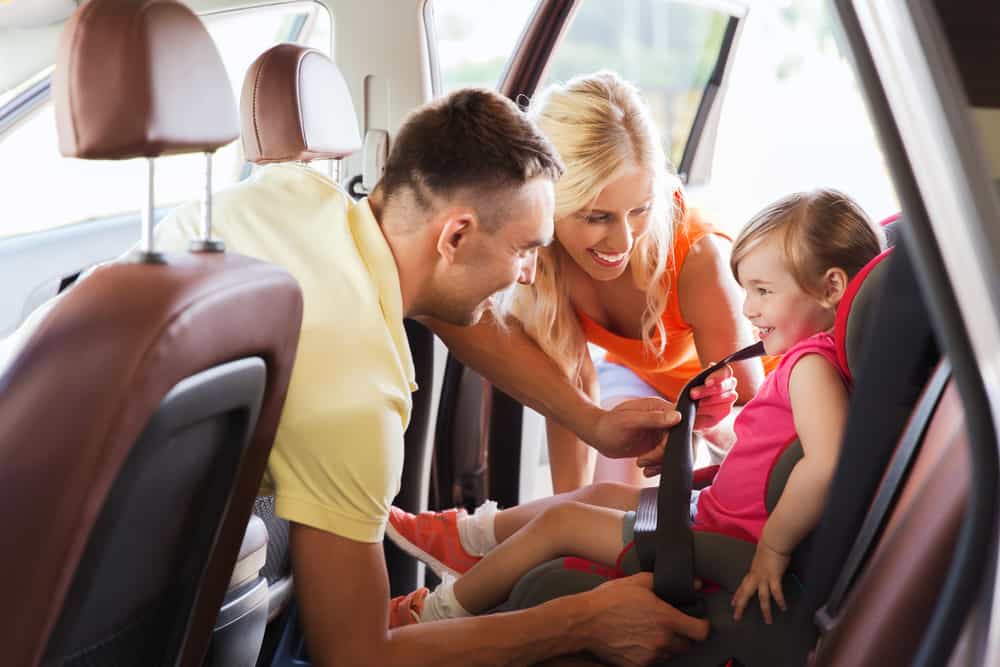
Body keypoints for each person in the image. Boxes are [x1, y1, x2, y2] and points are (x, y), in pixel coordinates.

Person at [145, 89, 709, 666]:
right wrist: (581, 623)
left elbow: (452, 311)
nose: (529, 274)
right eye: (523, 250)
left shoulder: (298, 196)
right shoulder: (356, 398)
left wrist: (592, 422)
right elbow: (357, 658)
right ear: (456, 237)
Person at [389, 188, 885, 628]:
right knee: (603, 490)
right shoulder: (818, 365)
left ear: (832, 288)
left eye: (763, 291)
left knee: (563, 525)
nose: (749, 308)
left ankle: (435, 613)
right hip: (709, 515)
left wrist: (773, 547)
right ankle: (470, 537)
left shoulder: (810, 368)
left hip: (718, 540)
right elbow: (769, 462)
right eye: (746, 291)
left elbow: (827, 462)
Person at [424, 71, 770, 492]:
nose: (624, 240)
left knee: (643, 511)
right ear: (549, 202)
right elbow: (571, 392)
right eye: (596, 217)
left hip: (743, 403)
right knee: (601, 503)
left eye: (640, 209)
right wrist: (568, 506)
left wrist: (691, 428)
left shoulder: (697, 256)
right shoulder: (546, 256)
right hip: (647, 383)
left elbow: (748, 398)